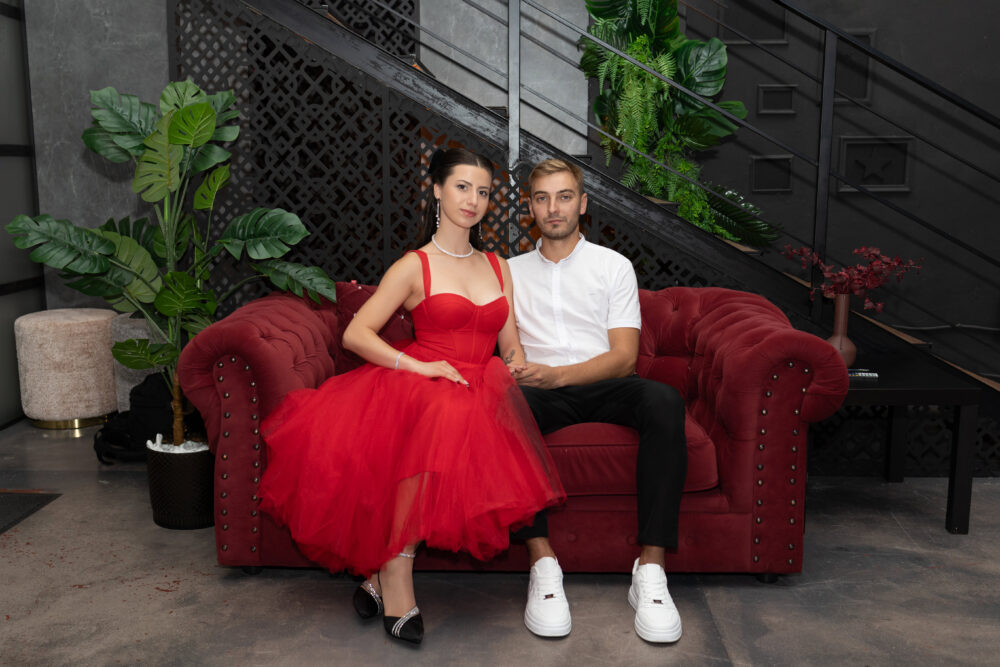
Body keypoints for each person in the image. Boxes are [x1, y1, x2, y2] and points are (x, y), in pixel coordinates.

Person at [259, 148, 565, 645]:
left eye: (483, 191)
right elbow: (356, 334)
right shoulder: (414, 265)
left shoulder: (497, 266)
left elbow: (510, 346)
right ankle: (397, 572)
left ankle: (379, 575)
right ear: (437, 190)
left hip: (479, 382)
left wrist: (522, 371)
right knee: (443, 413)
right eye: (462, 187)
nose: (473, 200)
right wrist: (420, 366)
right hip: (423, 378)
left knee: (467, 412)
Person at [507, 158, 688, 644]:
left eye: (564, 196)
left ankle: (650, 569)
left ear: (582, 204)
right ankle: (542, 563)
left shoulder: (613, 266)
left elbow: (625, 358)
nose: (554, 208)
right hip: (539, 391)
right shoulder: (509, 273)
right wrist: (524, 372)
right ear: (530, 208)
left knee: (664, 400)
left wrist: (558, 376)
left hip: (606, 383)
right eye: (542, 198)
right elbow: (508, 348)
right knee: (503, 405)